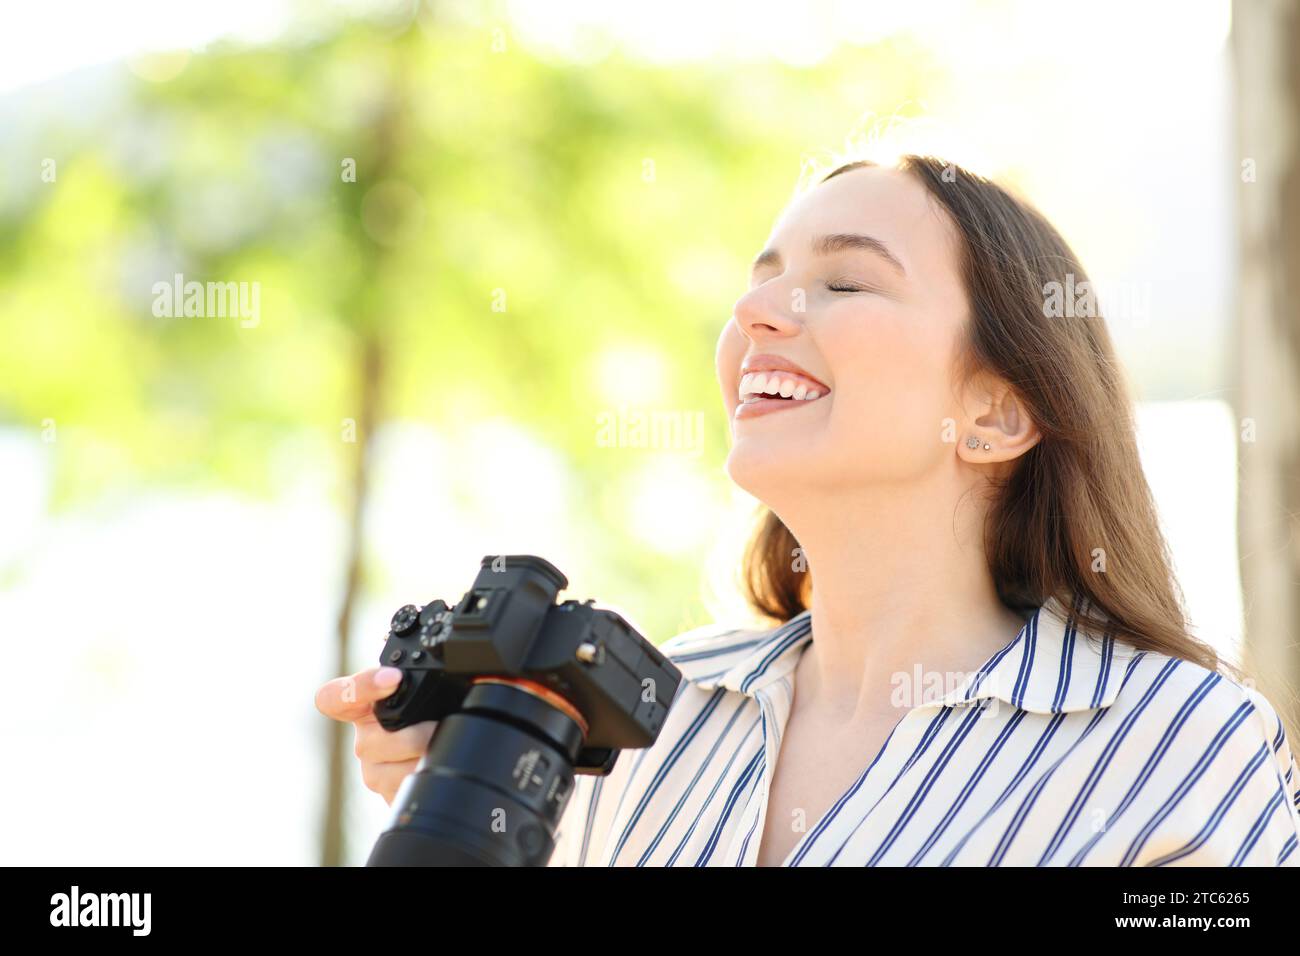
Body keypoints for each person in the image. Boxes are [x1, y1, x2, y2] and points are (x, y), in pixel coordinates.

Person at [315, 154, 1300, 866]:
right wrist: (447, 794)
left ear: (996, 411)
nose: (757, 312)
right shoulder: (641, 719)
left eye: (842, 280)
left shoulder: (1176, 742)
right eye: (762, 280)